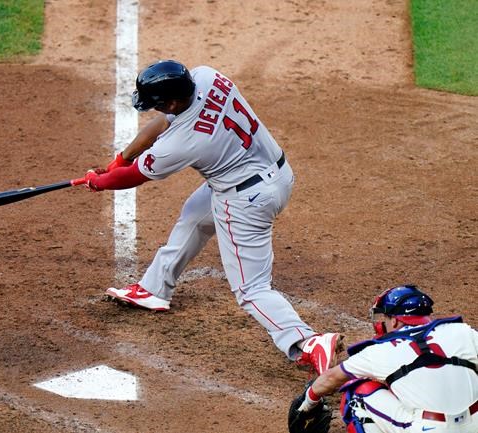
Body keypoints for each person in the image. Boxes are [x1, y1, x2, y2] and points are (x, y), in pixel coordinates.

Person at [81, 59, 342, 374]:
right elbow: (162, 124)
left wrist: (100, 181)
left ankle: (308, 342)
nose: (155, 109)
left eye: (159, 103)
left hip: (246, 200)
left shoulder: (182, 143)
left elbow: (134, 177)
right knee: (195, 215)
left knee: (252, 290)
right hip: (275, 173)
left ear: (175, 101)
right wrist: (119, 160)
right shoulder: (206, 76)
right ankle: (154, 289)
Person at [294, 284, 478, 433]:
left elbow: (330, 378)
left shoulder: (379, 351)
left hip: (428, 428)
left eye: (385, 318)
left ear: (395, 321)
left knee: (357, 394)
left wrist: (307, 405)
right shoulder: (464, 332)